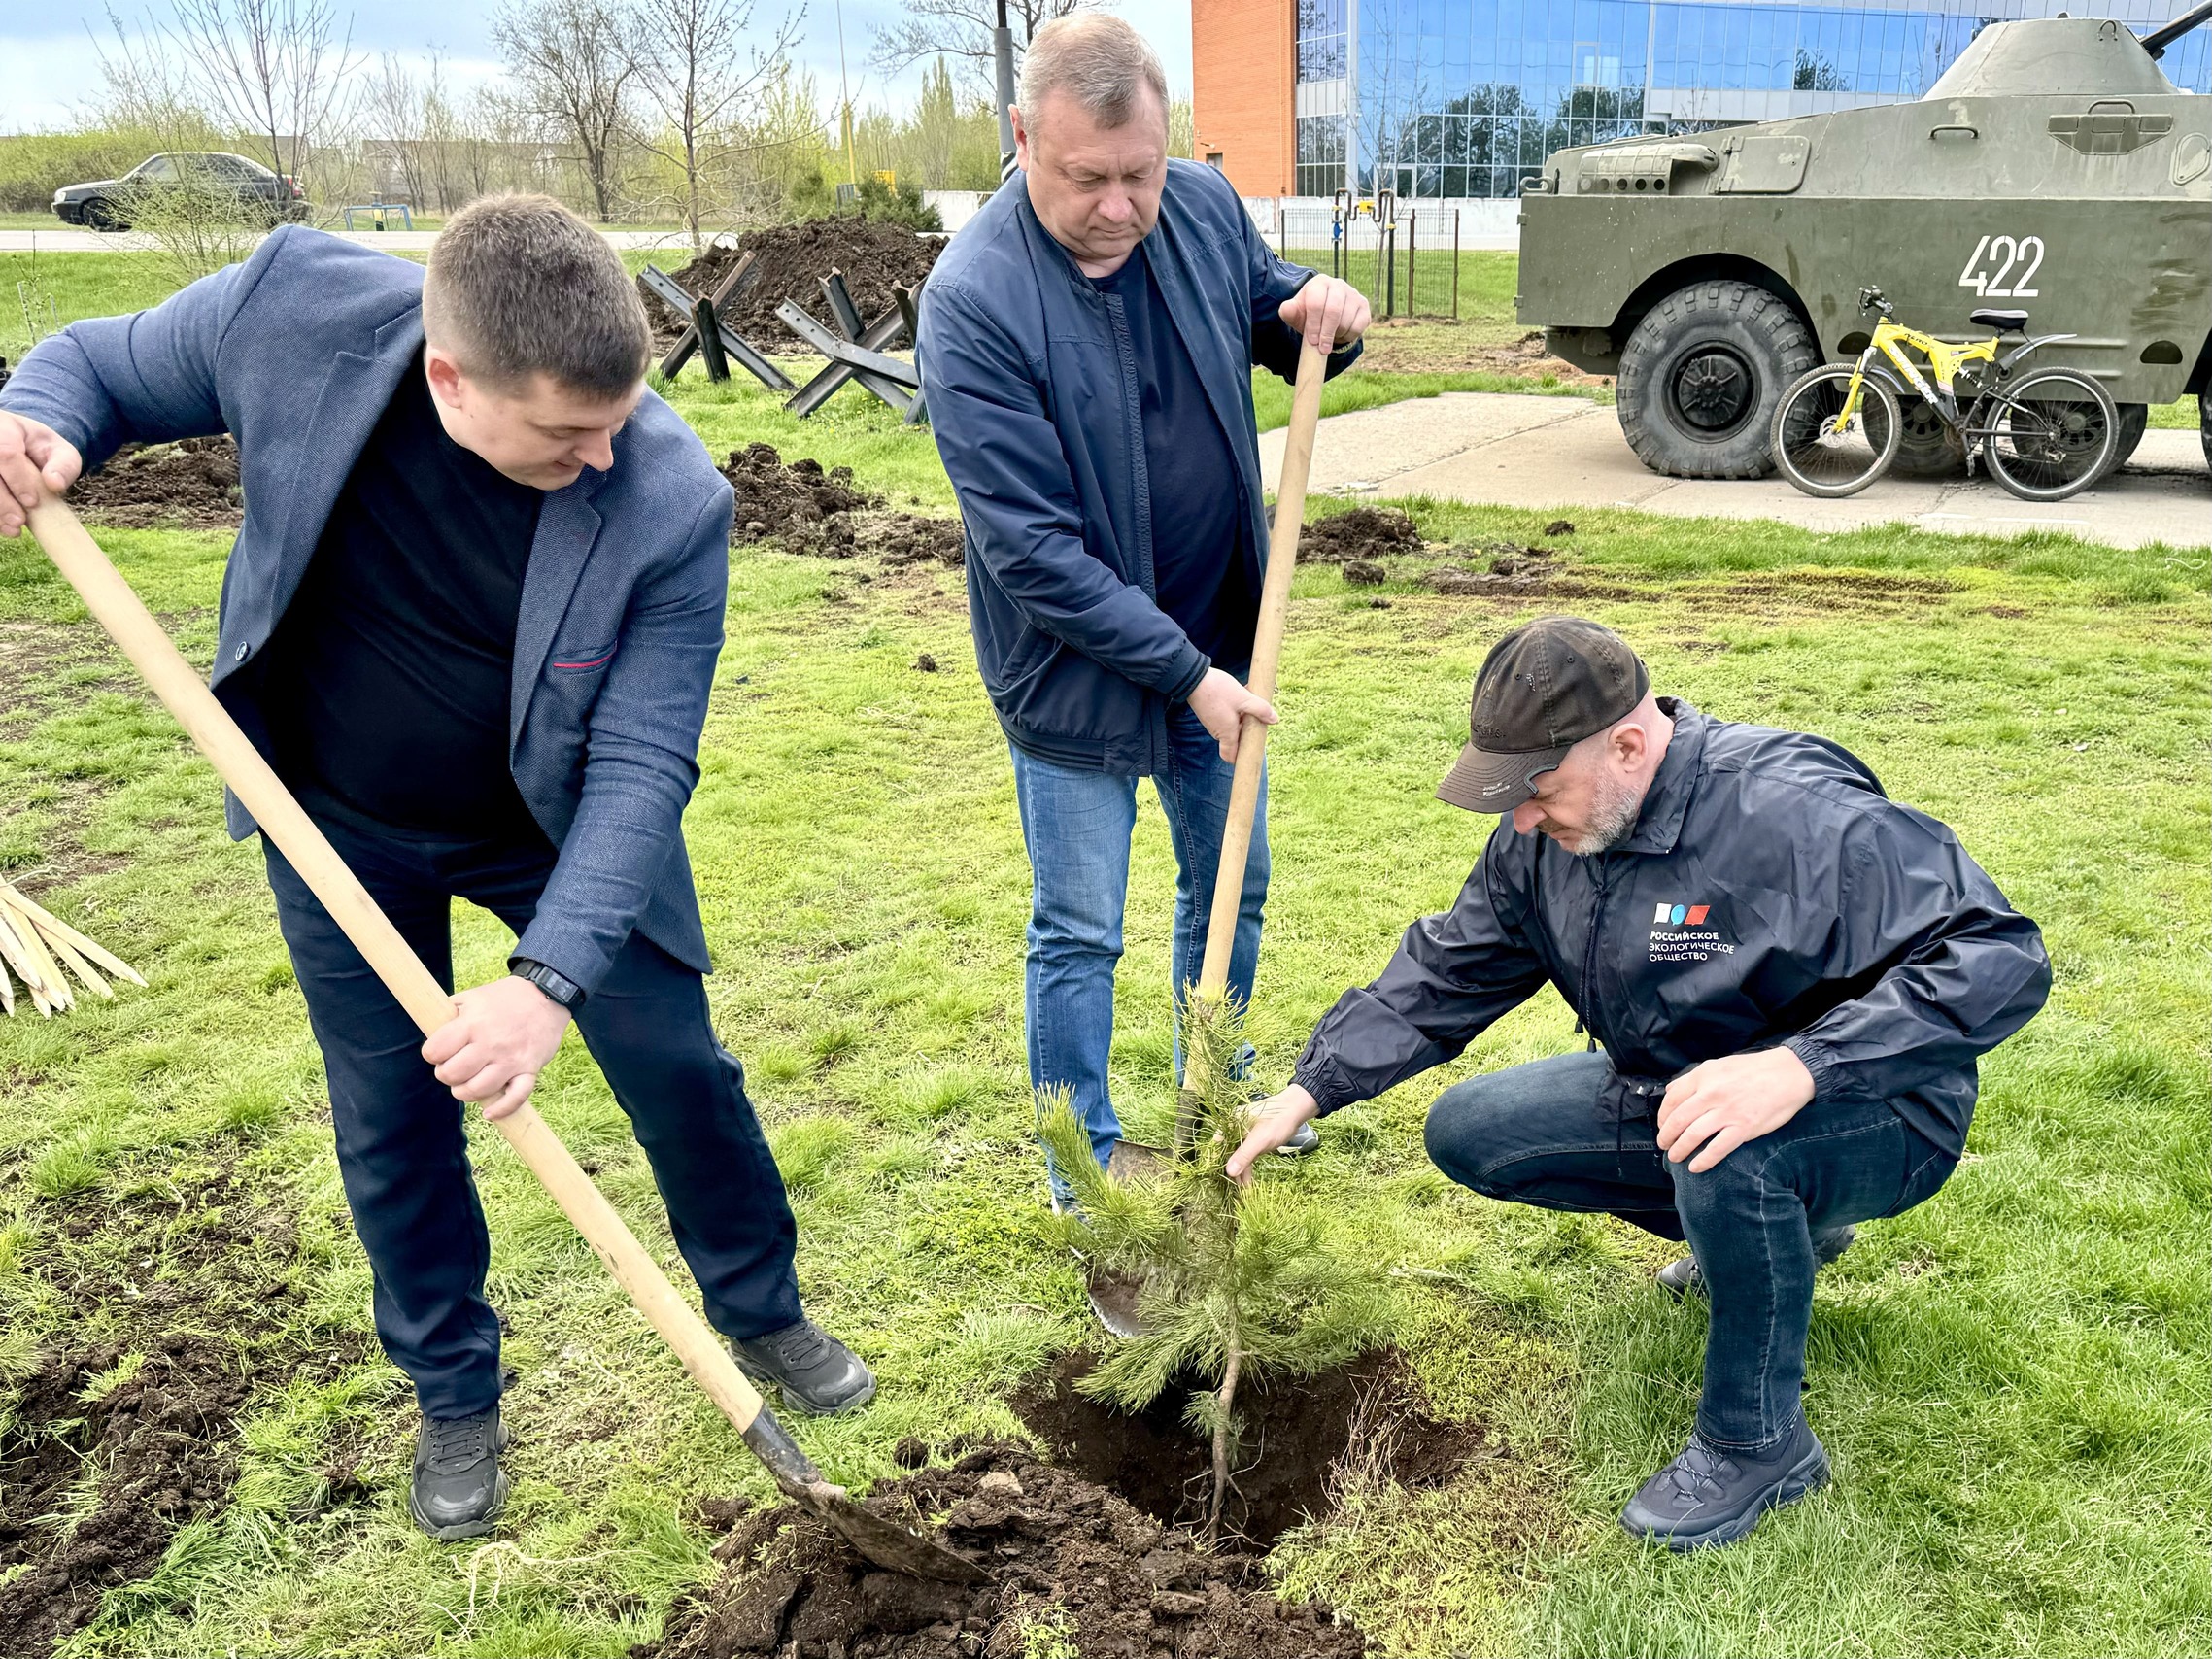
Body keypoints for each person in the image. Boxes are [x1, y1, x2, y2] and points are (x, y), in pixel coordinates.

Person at [0, 195, 873, 1542]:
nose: (602, 458)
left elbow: (644, 765)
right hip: (333, 817)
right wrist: (35, 421)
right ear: (446, 374)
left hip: (559, 828)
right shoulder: (290, 311)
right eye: (565, 435)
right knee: (393, 1117)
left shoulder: (670, 503)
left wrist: (545, 985)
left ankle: (763, 1311)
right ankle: (454, 1392)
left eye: (616, 422)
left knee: (680, 1070)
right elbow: (98, 364)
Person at [1226, 616, 2050, 1550]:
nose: (1523, 818)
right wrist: (1308, 1089)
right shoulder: (1541, 838)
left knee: (1728, 1147)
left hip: (1880, 1105)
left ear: (1626, 743)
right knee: (1473, 1131)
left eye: (1539, 788)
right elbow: (1452, 969)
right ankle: (1776, 1236)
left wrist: (1800, 1068)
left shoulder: (1792, 812)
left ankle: (1757, 1443)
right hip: (1684, 1084)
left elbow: (1998, 955)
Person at [917, 15, 1371, 1197]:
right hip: (1074, 672)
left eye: (1140, 173)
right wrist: (1186, 676)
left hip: (1226, 631)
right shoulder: (973, 303)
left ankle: (1213, 1093)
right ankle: (1089, 1176)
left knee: (1232, 882)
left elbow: (1267, 306)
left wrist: (1318, 306)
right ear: (1022, 141)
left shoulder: (1203, 209)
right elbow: (1033, 553)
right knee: (1078, 928)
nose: (1121, 206)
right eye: (1086, 179)